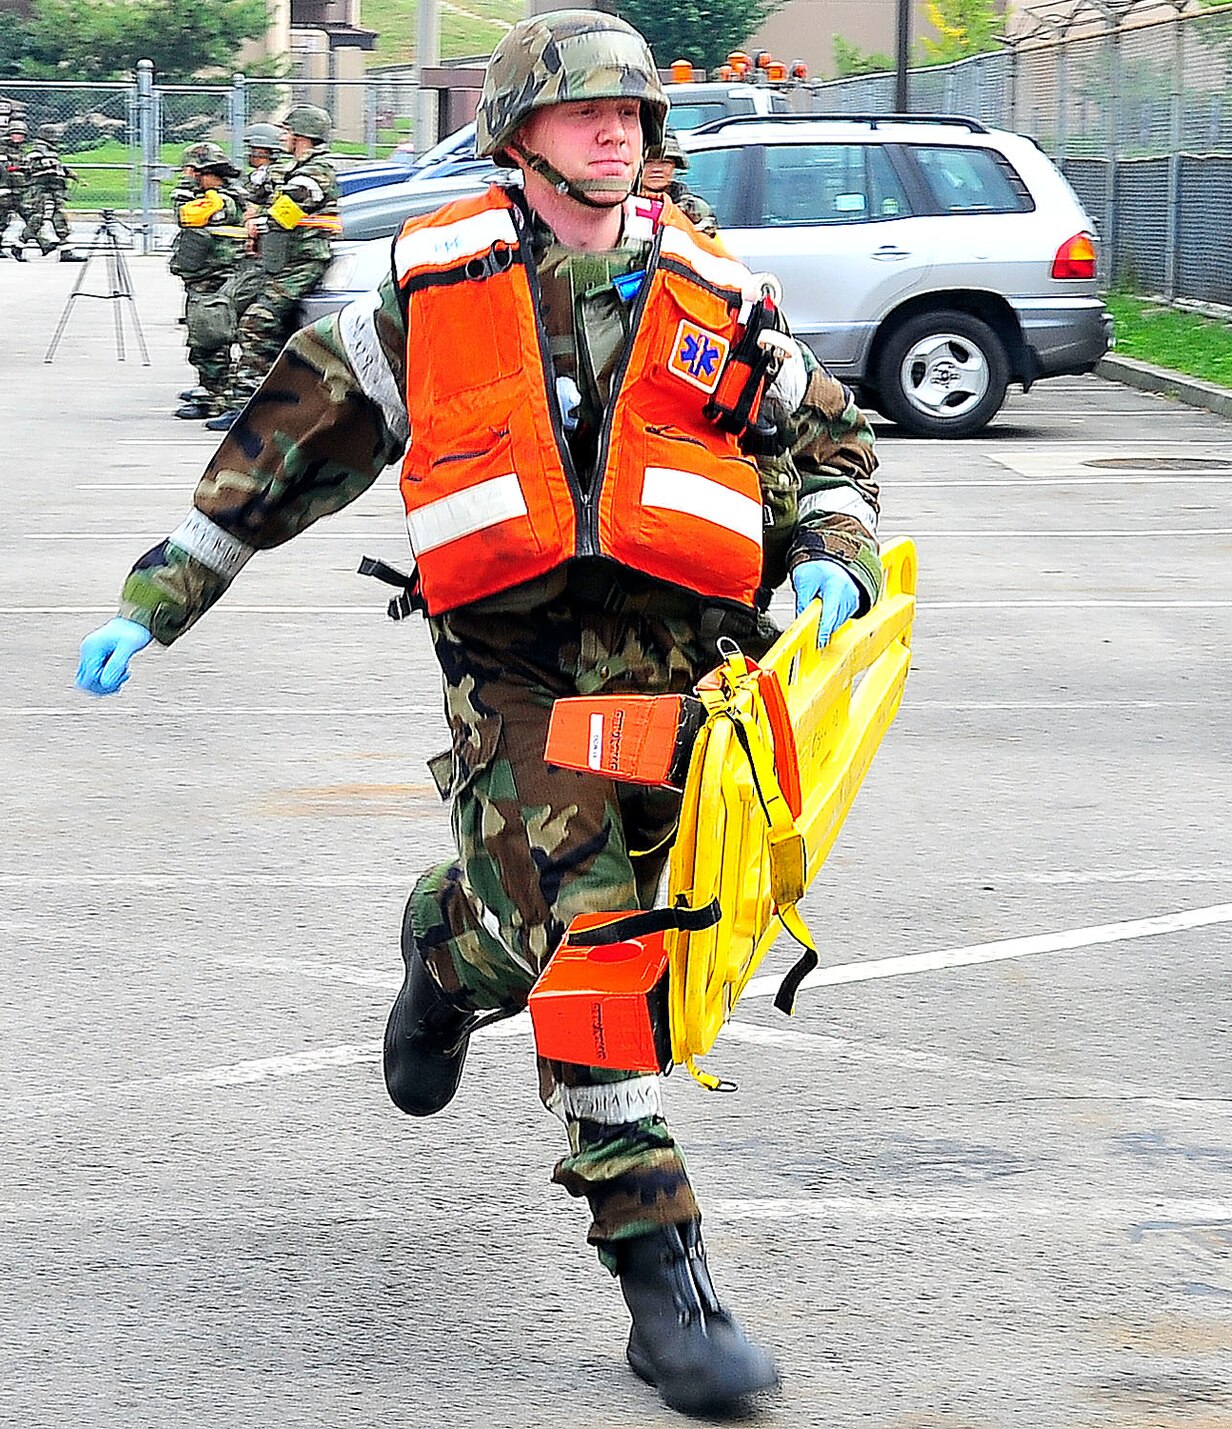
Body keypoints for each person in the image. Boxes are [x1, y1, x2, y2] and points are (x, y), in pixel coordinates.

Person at [73, 12, 881, 1416]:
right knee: (600, 934)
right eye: (584, 115)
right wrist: (155, 601)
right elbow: (285, 450)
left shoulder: (714, 291)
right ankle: (664, 1276)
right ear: (520, 136)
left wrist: (830, 555)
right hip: (514, 673)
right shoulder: (426, 290)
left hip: (685, 671)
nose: (615, 132)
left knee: (599, 922)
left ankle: (445, 955)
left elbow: (825, 441)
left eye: (631, 114)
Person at [203, 105, 340, 432]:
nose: (284, 137)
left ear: (302, 136)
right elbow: (261, 192)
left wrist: (258, 223)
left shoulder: (317, 169)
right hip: (287, 260)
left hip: (305, 260)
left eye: (288, 131)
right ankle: (272, 402)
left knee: (258, 322)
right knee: (256, 318)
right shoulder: (296, 166)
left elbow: (288, 207)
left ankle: (249, 408)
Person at [168, 142, 251, 422]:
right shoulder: (203, 194)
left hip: (218, 275)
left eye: (193, 171)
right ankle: (210, 393)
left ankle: (219, 398)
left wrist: (200, 193)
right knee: (201, 339)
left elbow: (192, 214)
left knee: (212, 336)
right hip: (201, 275)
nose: (188, 176)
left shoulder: (226, 199)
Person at [14, 124, 82, 263]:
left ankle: (65, 251)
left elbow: (57, 167)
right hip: (40, 191)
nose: (56, 137)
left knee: (59, 218)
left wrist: (70, 174)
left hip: (53, 191)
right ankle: (18, 246)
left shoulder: (51, 151)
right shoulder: (37, 150)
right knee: (37, 219)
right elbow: (35, 168)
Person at [638, 130, 717, 236]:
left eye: (665, 162)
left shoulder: (694, 210)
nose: (656, 169)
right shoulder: (620, 206)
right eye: (648, 162)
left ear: (675, 166)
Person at [0, 119, 30, 258]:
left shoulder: (21, 152)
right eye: (15, 134)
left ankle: (20, 245)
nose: (18, 137)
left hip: (20, 190)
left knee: (29, 216)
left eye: (21, 134)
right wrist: (18, 168)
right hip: (6, 189)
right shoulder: (3, 149)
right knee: (3, 218)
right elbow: (3, 167)